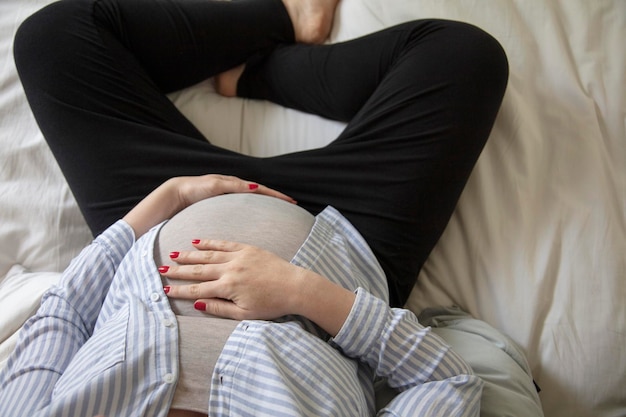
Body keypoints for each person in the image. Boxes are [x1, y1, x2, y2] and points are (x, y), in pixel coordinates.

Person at [0, 0, 509, 415]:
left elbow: (63, 315)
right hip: (349, 240)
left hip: (168, 206)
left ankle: (284, 19)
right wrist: (301, 291)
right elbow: (450, 383)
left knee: (52, 38)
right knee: (464, 55)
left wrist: (167, 199)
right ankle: (257, 74)